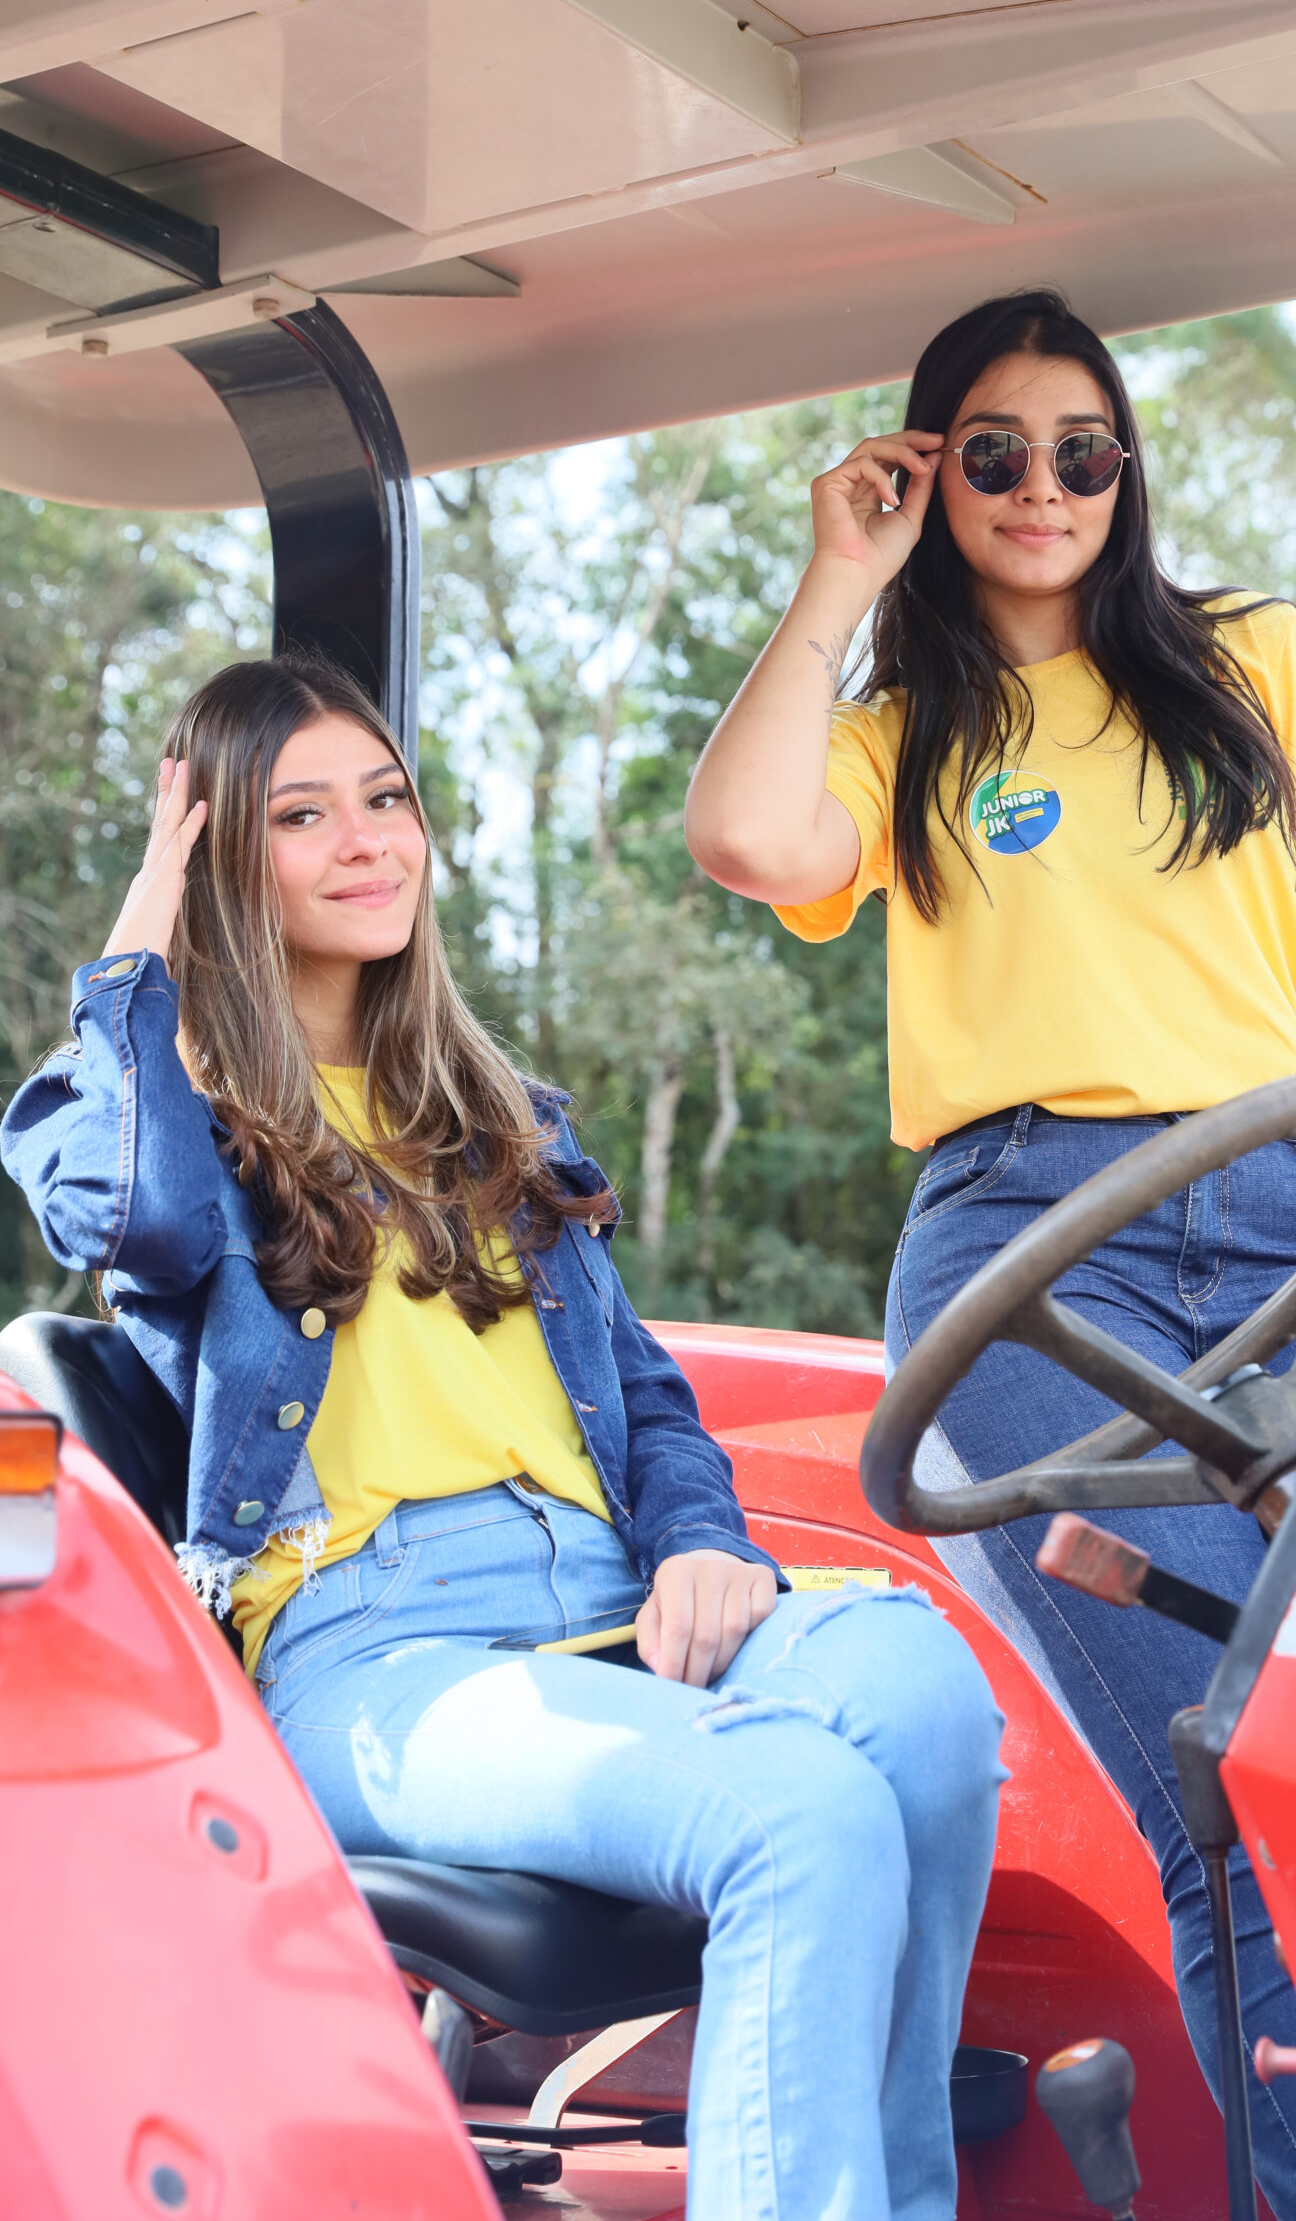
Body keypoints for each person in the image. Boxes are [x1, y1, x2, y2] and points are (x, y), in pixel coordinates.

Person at [4, 655, 1005, 2221]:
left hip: (599, 1594)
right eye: (301, 816)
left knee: (928, 1695)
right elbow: (133, 1215)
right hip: (375, 1649)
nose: (365, 841)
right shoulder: (161, 1117)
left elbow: (645, 1395)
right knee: (796, 1809)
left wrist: (702, 1544)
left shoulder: (500, 1118)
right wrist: (141, 951)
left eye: (385, 800)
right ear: (216, 859)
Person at [685, 289, 1296, 2221]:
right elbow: (747, 838)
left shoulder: (1250, 662)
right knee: (1230, 1784)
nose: (1041, 486)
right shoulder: (903, 734)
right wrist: (841, 570)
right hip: (1046, 1272)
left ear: (1127, 472)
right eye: (992, 454)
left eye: (1081, 451)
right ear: (928, 474)